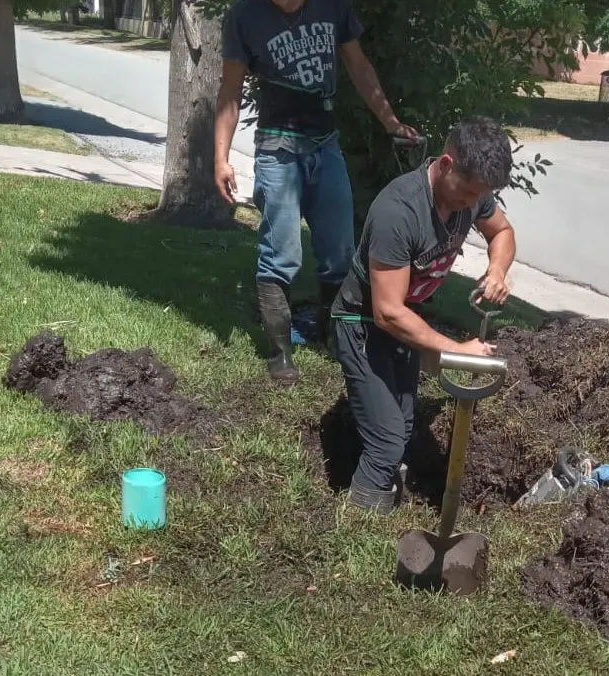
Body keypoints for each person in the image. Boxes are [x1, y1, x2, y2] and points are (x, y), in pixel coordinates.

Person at [214, 0, 418, 386]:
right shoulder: (245, 16)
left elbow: (359, 67)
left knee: (341, 252)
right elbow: (230, 91)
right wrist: (220, 158)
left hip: (326, 146)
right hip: (277, 150)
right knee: (280, 254)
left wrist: (390, 122)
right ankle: (280, 354)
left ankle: (332, 337)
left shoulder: (332, 7)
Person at [329, 116, 518, 513]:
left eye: (479, 196)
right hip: (361, 321)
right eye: (467, 192)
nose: (472, 203)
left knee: (405, 427)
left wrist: (497, 269)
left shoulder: (474, 193)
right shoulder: (398, 212)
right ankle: (357, 534)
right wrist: (454, 349)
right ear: (446, 164)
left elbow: (502, 233)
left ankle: (387, 501)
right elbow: (387, 313)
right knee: (386, 440)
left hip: (404, 318)